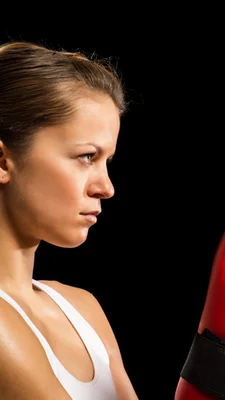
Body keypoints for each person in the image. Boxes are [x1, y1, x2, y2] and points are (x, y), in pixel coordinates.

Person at [0, 41, 137, 399]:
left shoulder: (83, 309)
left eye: (108, 160)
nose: (106, 187)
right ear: (2, 162)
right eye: (87, 156)